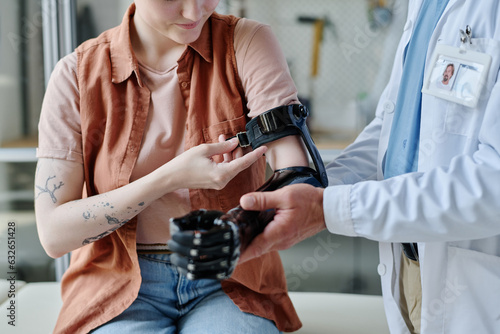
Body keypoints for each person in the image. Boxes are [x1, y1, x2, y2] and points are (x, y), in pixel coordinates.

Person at [34, 0, 308, 333]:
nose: (195, 13)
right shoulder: (76, 74)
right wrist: (170, 177)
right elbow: (53, 234)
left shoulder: (248, 43)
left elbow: (296, 176)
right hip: (114, 282)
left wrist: (237, 227)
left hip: (230, 278)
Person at [237, 1, 500, 333]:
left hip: (475, 286)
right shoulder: (423, 6)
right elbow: (391, 133)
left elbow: (494, 180)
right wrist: (314, 186)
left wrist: (328, 208)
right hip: (411, 265)